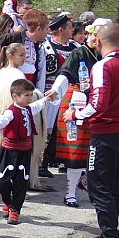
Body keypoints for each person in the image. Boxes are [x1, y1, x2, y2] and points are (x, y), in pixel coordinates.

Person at [65, 23, 119, 238]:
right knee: (111, 186)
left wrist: (75, 114)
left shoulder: (103, 66)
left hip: (106, 133)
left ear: (99, 42)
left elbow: (97, 105)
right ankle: (107, 236)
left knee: (98, 186)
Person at [47, 20, 104, 206]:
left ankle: (88, 183)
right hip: (77, 102)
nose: (96, 39)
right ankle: (70, 193)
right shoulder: (79, 52)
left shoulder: (107, 56)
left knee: (95, 150)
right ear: (88, 34)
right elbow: (65, 74)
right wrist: (56, 90)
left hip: (99, 103)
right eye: (94, 35)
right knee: (76, 151)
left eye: (100, 36)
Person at [0, 78, 51, 224]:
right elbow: (2, 121)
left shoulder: (28, 109)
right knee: (3, 180)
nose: (30, 98)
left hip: (24, 151)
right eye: (26, 95)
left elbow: (38, 105)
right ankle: (8, 202)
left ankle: (15, 209)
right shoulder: (10, 112)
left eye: (31, 95)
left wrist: (47, 99)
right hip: (8, 151)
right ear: (15, 96)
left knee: (22, 180)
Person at [38, 12, 79, 175]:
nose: (72, 30)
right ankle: (42, 162)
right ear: (61, 29)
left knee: (65, 127)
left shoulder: (76, 48)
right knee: (47, 128)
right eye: (69, 27)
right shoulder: (45, 47)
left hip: (71, 95)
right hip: (50, 92)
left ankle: (64, 158)